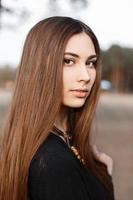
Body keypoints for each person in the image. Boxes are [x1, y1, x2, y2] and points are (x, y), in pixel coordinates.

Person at [0, 16, 115, 200]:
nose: (85, 76)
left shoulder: (48, 140)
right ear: (39, 67)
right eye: (69, 61)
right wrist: (106, 182)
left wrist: (101, 173)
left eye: (90, 62)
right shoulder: (53, 163)